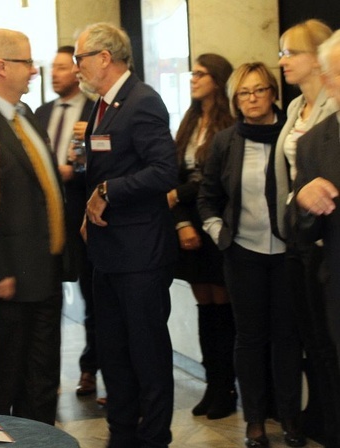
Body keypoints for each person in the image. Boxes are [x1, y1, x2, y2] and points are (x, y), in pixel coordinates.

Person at [75, 22, 178, 447]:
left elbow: (163, 171)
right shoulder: (101, 105)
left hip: (140, 255)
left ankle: (154, 439)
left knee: (147, 355)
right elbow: (107, 165)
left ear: (104, 58)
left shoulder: (143, 101)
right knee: (113, 354)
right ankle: (121, 435)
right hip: (107, 252)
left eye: (81, 58)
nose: (77, 66)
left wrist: (106, 191)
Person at [197, 62, 305, 448]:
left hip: (288, 255)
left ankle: (291, 417)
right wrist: (219, 234)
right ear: (235, 100)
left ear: (273, 93)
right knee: (249, 339)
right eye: (244, 93)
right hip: (242, 254)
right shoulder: (226, 141)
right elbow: (207, 197)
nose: (252, 99)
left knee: (287, 338)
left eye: (259, 90)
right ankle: (255, 420)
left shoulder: (292, 135)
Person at [0, 28, 66, 425]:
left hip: (44, 269)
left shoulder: (25, 115)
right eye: (27, 62)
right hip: (10, 277)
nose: (33, 71)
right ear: (1, 66)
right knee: (6, 380)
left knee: (41, 380)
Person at [274, 19, 340, 447]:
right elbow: (300, 204)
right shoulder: (316, 137)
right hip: (324, 263)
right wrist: (302, 198)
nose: (331, 79)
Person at [167, 54, 236, 419]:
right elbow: (173, 176)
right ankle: (213, 383)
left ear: (218, 80)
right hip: (189, 226)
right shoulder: (190, 121)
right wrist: (181, 220)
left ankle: (225, 387)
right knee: (205, 305)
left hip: (217, 222)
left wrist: (182, 196)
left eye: (201, 73)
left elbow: (217, 178)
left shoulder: (230, 122)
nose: (193, 78)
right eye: (192, 72)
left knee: (223, 307)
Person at [33, 45, 99, 400]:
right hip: (47, 221)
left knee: (94, 296)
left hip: (82, 212)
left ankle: (91, 369)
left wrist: (76, 170)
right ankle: (47, 379)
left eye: (62, 67)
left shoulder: (95, 111)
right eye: (52, 68)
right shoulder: (40, 113)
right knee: (49, 300)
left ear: (77, 71)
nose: (55, 74)